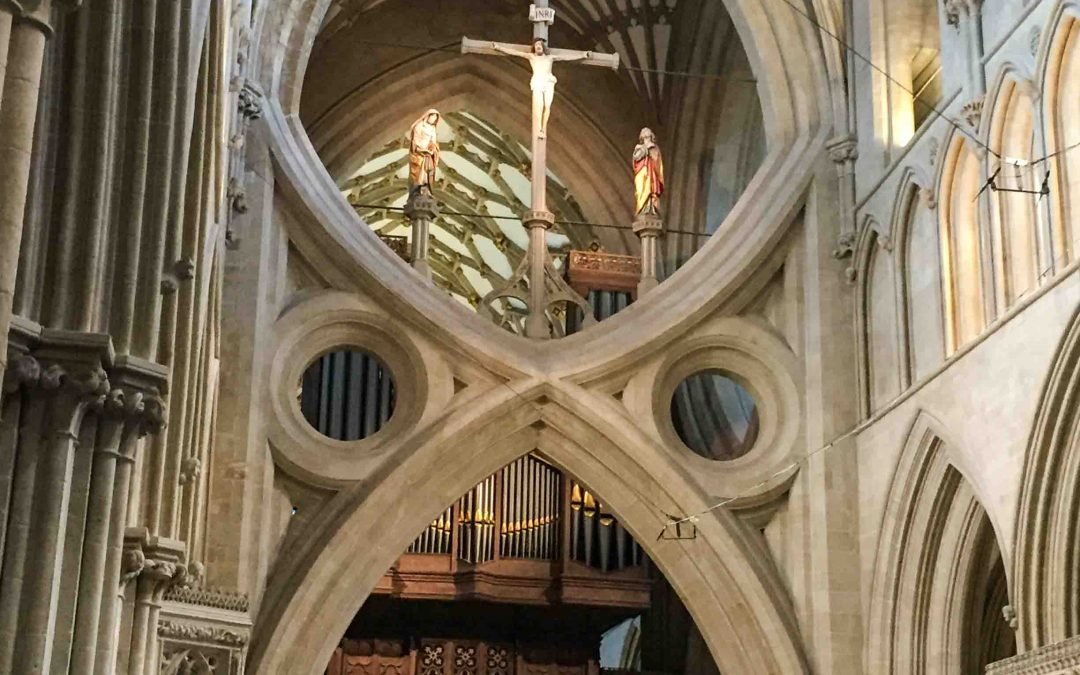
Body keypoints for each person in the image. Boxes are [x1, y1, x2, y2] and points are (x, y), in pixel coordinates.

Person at [490, 39, 592, 139]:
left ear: (543, 47)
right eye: (536, 45)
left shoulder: (550, 58)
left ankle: (543, 128)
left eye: (540, 45)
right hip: (538, 82)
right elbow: (515, 53)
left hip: (548, 82)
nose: (538, 46)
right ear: (534, 48)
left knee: (547, 106)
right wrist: (499, 48)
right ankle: (539, 129)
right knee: (539, 106)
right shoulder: (531, 57)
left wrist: (582, 55)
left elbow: (565, 57)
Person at [407, 109, 441, 197]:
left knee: (428, 171)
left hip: (428, 154)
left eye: (435, 119)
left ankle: (426, 187)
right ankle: (417, 188)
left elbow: (433, 142)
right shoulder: (419, 126)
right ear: (428, 116)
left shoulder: (433, 128)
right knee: (418, 174)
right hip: (419, 153)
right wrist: (421, 149)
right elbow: (415, 140)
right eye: (433, 117)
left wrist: (432, 149)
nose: (433, 120)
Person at [633, 127, 664, 216]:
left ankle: (651, 208)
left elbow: (657, 159)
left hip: (652, 172)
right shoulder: (639, 147)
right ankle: (642, 207)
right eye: (643, 132)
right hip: (642, 172)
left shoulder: (655, 147)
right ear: (641, 137)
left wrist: (651, 150)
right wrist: (644, 149)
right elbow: (636, 158)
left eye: (647, 132)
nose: (645, 133)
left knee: (651, 189)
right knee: (641, 190)